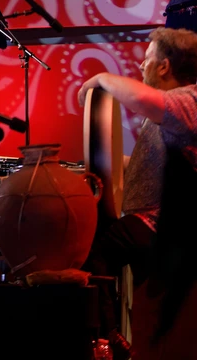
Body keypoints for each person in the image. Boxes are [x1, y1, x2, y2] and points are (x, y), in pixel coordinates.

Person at [78, 27, 197, 358]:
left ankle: (109, 337)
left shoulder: (189, 100)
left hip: (169, 225)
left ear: (164, 66)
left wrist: (101, 78)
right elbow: (146, 164)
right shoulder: (169, 111)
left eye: (147, 59)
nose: (141, 67)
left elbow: (142, 98)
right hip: (155, 221)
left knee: (94, 245)